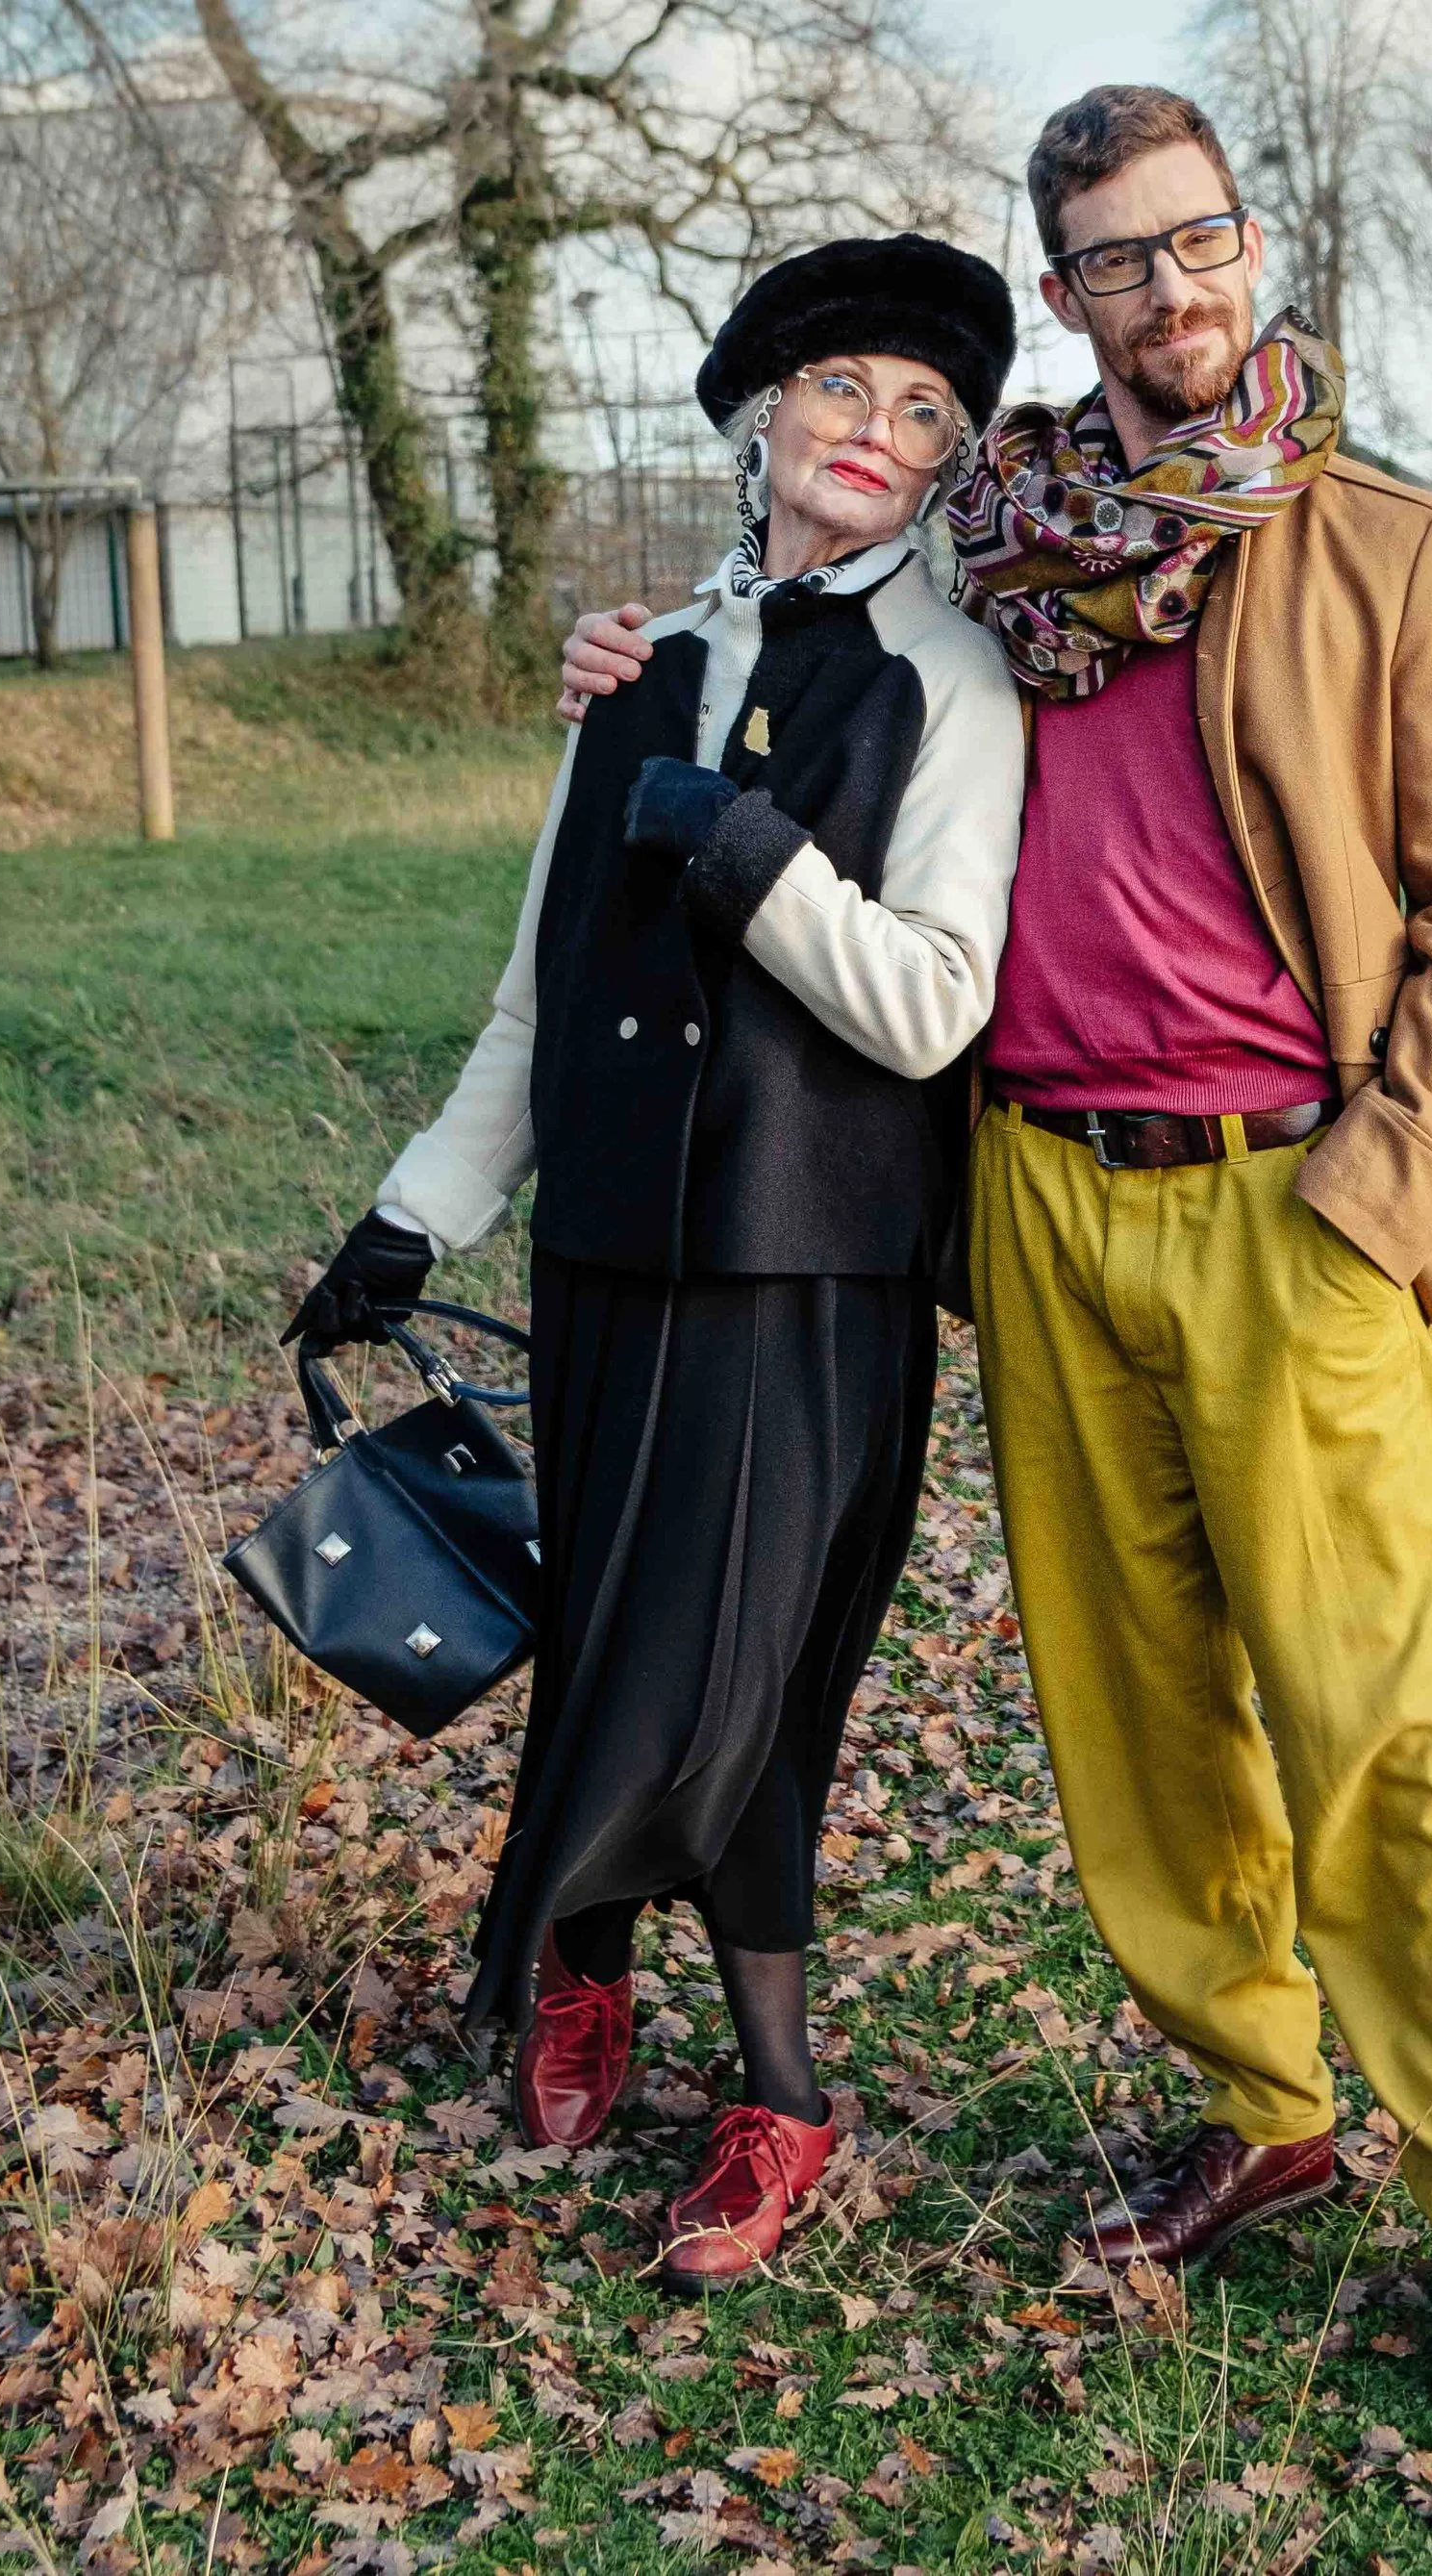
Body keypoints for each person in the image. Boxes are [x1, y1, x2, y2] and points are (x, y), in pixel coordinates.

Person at [560, 89, 1432, 2462]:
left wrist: (1383, 1185)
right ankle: (1254, 2099)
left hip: (1286, 1205)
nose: (1171, 292)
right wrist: (636, 642)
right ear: (1062, 293)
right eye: (1115, 263)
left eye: (1197, 241)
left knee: (1385, 1738)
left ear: (1251, 241)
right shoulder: (1003, 539)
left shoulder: (1392, 551)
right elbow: (785, 614)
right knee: (1135, 1729)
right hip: (1032, 1194)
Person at [291, 232, 1022, 2293]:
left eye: (923, 414)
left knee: (739, 1680)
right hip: (612, 1261)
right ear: (760, 416)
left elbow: (928, 1007)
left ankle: (780, 2088)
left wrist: (739, 850)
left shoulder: (946, 682)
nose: (875, 432)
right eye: (842, 390)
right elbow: (537, 998)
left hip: (812, 1285)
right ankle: (582, 1973)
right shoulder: (640, 665)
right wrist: (414, 1215)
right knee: (616, 1642)